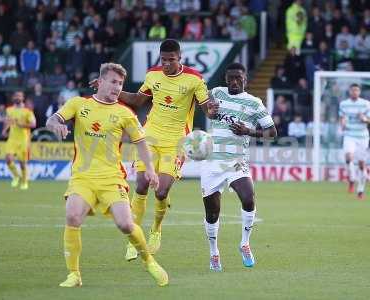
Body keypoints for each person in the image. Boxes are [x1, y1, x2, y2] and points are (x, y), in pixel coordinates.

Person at [90, 39, 218, 261]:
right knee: (140, 185)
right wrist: (112, 91)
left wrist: (213, 111)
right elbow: (138, 100)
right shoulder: (153, 75)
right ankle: (133, 237)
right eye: (164, 59)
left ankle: (156, 229)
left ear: (180, 59)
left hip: (176, 141)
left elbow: (207, 110)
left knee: (161, 191)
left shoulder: (194, 79)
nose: (167, 64)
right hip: (149, 135)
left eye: (171, 60)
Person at [46, 63, 168, 288]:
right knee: (72, 216)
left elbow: (141, 143)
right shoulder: (78, 104)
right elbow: (53, 119)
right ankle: (74, 274)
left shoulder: (125, 113)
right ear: (100, 82)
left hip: (112, 179)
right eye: (113, 82)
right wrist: (56, 126)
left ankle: (149, 260)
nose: (117, 87)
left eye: (120, 83)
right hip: (82, 178)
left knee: (125, 224)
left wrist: (150, 169)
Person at [201, 63, 277, 271]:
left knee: (248, 197)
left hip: (237, 160)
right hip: (213, 161)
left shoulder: (254, 103)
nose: (234, 82)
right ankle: (214, 253)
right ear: (226, 79)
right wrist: (208, 110)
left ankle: (244, 243)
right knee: (212, 213)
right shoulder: (216, 93)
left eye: (239, 78)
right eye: (231, 78)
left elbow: (272, 133)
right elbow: (203, 105)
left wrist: (249, 131)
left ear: (246, 79)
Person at [339, 83, 370, 199]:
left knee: (362, 164)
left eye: (357, 90)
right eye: (353, 90)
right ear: (349, 91)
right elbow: (341, 117)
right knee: (348, 157)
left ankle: (360, 191)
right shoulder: (344, 104)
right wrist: (342, 124)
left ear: (360, 92)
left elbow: (369, 120)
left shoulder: (366, 104)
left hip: (362, 136)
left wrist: (364, 119)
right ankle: (352, 179)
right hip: (349, 135)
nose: (355, 92)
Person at [2, 91, 36, 190]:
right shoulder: (9, 109)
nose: (17, 97)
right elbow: (8, 121)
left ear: (23, 98)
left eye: (19, 96)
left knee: (22, 163)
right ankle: (16, 176)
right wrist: (4, 130)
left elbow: (33, 124)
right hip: (12, 138)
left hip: (23, 140)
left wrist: (23, 125)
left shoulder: (27, 111)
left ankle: (25, 182)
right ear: (13, 98)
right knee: (8, 159)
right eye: (16, 96)